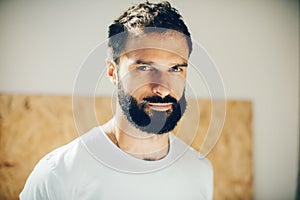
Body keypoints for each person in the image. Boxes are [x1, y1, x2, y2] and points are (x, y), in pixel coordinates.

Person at [20, 1, 213, 199]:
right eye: (144, 68)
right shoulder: (58, 174)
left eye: (175, 69)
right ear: (113, 73)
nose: (162, 88)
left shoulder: (199, 171)